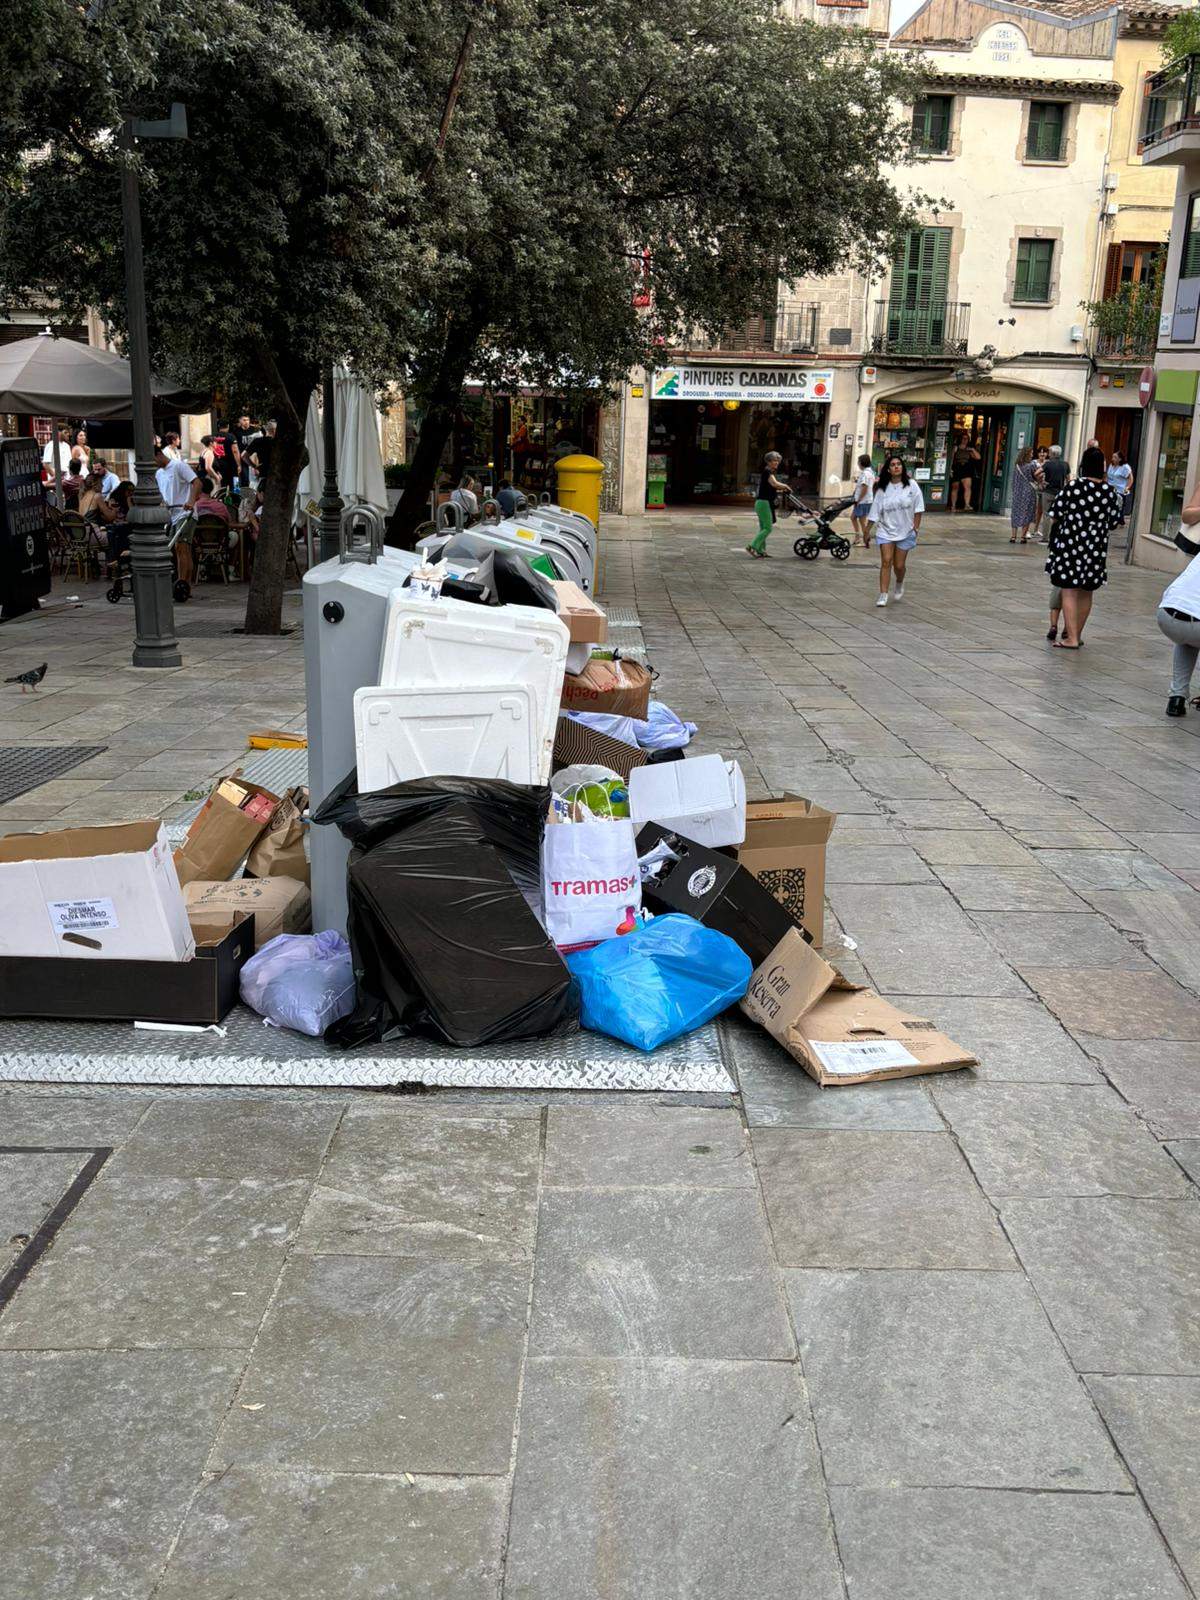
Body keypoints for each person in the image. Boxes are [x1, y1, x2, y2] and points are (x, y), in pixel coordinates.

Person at [1045, 444, 1122, 649]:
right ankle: (1076, 635)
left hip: (1070, 546)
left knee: (1068, 590)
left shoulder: (1074, 487)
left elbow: (1055, 513)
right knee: (1087, 592)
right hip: (1095, 549)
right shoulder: (1109, 492)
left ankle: (1070, 638)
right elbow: (1115, 522)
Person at [1157, 476, 1200, 715]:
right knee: (1195, 628)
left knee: (1187, 637)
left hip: (1166, 613)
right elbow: (1188, 514)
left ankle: (1176, 697)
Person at [867, 455, 923, 606]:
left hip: (905, 531)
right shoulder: (883, 488)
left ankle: (899, 581)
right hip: (885, 530)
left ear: (903, 467)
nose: (896, 466)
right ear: (888, 469)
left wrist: (916, 528)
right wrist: (866, 531)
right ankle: (883, 594)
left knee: (898, 565)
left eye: (899, 464)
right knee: (886, 561)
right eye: (893, 465)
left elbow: (919, 508)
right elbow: (875, 511)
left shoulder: (912, 485)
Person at [155, 443, 198, 584]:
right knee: (176, 548)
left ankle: (182, 582)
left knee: (181, 546)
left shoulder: (178, 466)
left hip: (185, 513)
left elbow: (197, 483)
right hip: (171, 514)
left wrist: (191, 501)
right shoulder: (159, 473)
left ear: (159, 455)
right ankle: (183, 583)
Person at [747, 450, 789, 558]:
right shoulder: (767, 472)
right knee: (768, 528)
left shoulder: (768, 472)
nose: (776, 463)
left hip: (762, 503)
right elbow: (775, 484)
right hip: (764, 503)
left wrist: (780, 490)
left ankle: (761, 550)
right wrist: (786, 486)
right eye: (774, 461)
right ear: (768, 462)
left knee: (763, 528)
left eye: (777, 461)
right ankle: (752, 545)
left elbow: (771, 487)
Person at [1039, 445, 1070, 543]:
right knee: (1059, 515)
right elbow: (1068, 480)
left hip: (1048, 492)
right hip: (1060, 493)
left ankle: (1045, 538)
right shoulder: (1065, 464)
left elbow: (1037, 473)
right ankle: (1057, 536)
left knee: (1046, 515)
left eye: (1049, 452)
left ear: (1052, 454)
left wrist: (1041, 482)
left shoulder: (1048, 464)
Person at [1009, 447, 1038, 543]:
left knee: (1016, 513)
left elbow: (1014, 480)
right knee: (1027, 513)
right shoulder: (1031, 465)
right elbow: (1036, 476)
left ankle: (1013, 536)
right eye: (1031, 453)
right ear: (1027, 454)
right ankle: (1022, 537)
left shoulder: (1017, 465)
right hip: (1028, 492)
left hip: (1017, 492)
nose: (1032, 455)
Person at [948, 433, 980, 512]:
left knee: (967, 487)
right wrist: (950, 469)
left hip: (966, 468)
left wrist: (972, 449)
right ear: (960, 439)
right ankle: (953, 506)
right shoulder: (956, 448)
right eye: (963, 438)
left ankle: (967, 505)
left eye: (966, 438)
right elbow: (951, 458)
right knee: (955, 487)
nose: (965, 440)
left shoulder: (969, 449)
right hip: (957, 468)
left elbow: (978, 457)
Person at [850, 454, 875, 546]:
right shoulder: (870, 472)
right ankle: (858, 537)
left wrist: (859, 500)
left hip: (863, 501)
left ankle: (865, 538)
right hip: (866, 501)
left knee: (861, 521)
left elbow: (865, 488)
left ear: (862, 463)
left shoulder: (865, 474)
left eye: (858, 462)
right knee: (854, 518)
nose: (858, 463)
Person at [1107, 450, 1134, 526]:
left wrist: (1127, 487)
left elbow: (1131, 478)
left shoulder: (1125, 467)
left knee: (1119, 506)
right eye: (1113, 457)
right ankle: (1112, 519)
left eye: (1115, 457)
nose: (1113, 458)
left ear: (1120, 459)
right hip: (1111, 488)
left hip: (1120, 489)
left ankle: (1120, 521)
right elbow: (1108, 476)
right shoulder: (1111, 465)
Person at [216, 421, 241, 494]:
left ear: (219, 427)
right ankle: (236, 500)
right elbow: (235, 451)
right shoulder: (231, 436)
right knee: (235, 483)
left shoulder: (213, 437)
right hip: (231, 464)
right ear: (228, 426)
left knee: (222, 484)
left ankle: (221, 500)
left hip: (219, 464)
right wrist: (238, 465)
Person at [1031, 445, 1050, 540]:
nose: (1042, 454)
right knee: (1033, 509)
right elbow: (1033, 475)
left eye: (1044, 452)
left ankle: (1036, 529)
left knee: (1040, 510)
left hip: (1044, 489)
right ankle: (1029, 529)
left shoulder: (1049, 463)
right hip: (1035, 488)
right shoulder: (1034, 462)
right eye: (1040, 452)